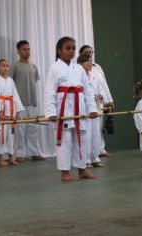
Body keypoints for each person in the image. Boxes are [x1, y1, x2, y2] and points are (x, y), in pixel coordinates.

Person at [44, 37, 97, 181]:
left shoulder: (79, 68)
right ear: (59, 51)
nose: (71, 51)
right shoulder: (54, 68)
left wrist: (92, 108)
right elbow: (49, 91)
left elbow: (87, 90)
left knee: (82, 139)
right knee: (65, 141)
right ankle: (65, 172)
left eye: (73, 48)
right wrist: (51, 112)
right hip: (64, 109)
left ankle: (82, 169)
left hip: (79, 108)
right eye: (68, 48)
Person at [8, 40, 45, 162]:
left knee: (33, 128)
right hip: (20, 104)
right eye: (24, 49)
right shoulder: (14, 66)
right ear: (18, 51)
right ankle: (20, 154)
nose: (27, 51)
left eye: (28, 49)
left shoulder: (33, 67)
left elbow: (34, 83)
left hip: (32, 102)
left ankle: (34, 152)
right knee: (20, 129)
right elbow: (9, 84)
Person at [79, 45, 113, 157]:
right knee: (86, 133)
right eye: (86, 53)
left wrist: (107, 99)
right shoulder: (77, 71)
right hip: (84, 107)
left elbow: (103, 86)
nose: (89, 54)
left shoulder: (97, 68)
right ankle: (86, 157)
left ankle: (97, 155)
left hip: (98, 105)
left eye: (91, 52)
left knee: (97, 130)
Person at [0, 59, 23, 166]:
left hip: (11, 108)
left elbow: (16, 96)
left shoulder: (11, 81)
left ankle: (11, 157)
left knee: (11, 134)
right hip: (2, 109)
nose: (6, 68)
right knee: (1, 134)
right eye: (3, 66)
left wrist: (18, 111)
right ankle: (0, 158)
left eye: (7, 66)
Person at [77, 54, 105, 168]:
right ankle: (86, 160)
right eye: (86, 61)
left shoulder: (96, 75)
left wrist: (101, 98)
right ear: (80, 64)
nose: (89, 63)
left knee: (96, 134)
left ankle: (95, 158)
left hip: (96, 108)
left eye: (90, 61)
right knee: (86, 135)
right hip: (84, 109)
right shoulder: (77, 76)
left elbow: (101, 89)